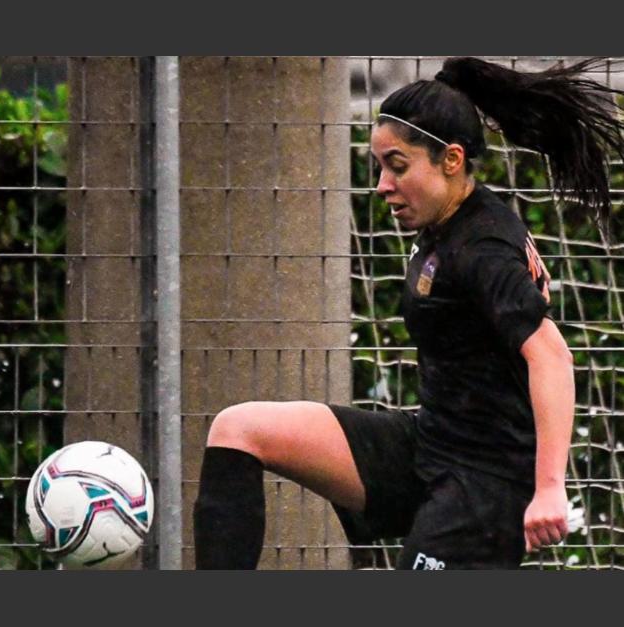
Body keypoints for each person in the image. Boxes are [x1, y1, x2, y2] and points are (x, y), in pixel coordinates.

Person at [193, 57, 624, 570]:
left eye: (397, 166)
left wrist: (550, 488)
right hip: (428, 443)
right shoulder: (448, 222)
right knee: (239, 430)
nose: (381, 184)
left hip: (482, 485)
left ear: (452, 159)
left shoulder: (482, 244)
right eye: (379, 166)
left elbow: (551, 356)